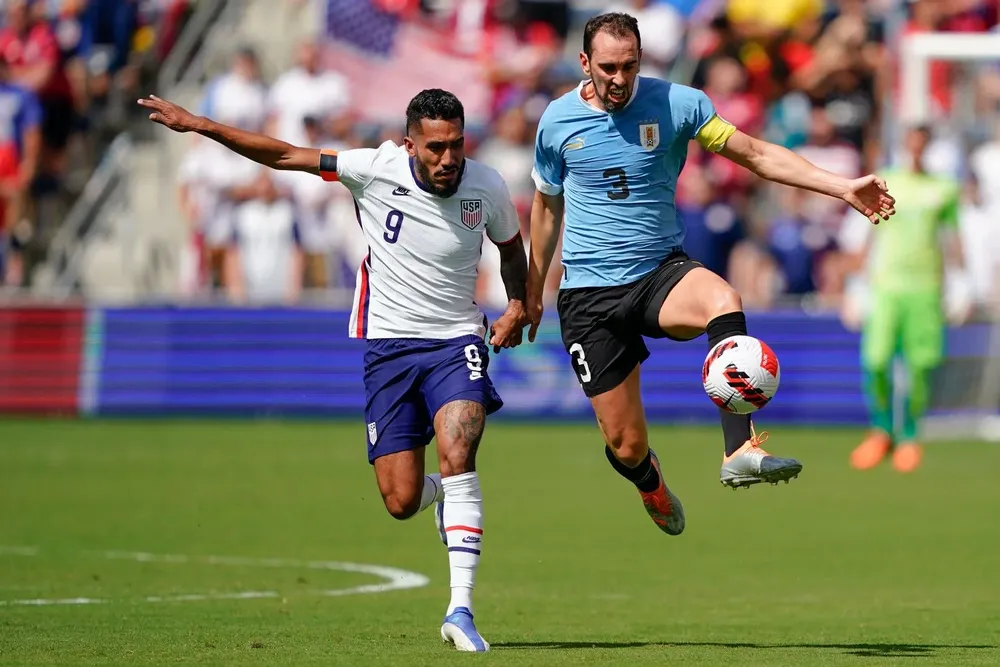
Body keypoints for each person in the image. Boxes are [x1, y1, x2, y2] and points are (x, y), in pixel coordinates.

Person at [139, 88, 529, 652]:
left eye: (456, 146)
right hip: (389, 350)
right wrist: (201, 125)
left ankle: (460, 609)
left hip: (455, 339)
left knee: (461, 443)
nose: (448, 160)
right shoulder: (373, 167)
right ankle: (444, 493)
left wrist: (517, 303)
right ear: (409, 142)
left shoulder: (486, 185)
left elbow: (512, 250)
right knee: (400, 500)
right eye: (436, 148)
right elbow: (284, 156)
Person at [526, 13, 895, 535]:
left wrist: (840, 187)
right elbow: (545, 208)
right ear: (585, 63)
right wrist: (531, 292)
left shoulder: (679, 104)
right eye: (607, 67)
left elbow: (756, 154)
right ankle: (649, 482)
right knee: (626, 444)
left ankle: (738, 450)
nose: (618, 78)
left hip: (658, 271)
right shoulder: (556, 121)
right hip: (589, 293)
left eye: (629, 66)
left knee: (723, 297)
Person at [848, 125, 962, 473]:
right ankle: (881, 430)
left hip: (925, 287)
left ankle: (909, 435)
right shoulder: (886, 182)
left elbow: (952, 237)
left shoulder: (943, 189)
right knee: (876, 361)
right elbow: (868, 230)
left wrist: (960, 282)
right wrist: (856, 283)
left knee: (920, 366)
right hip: (886, 286)